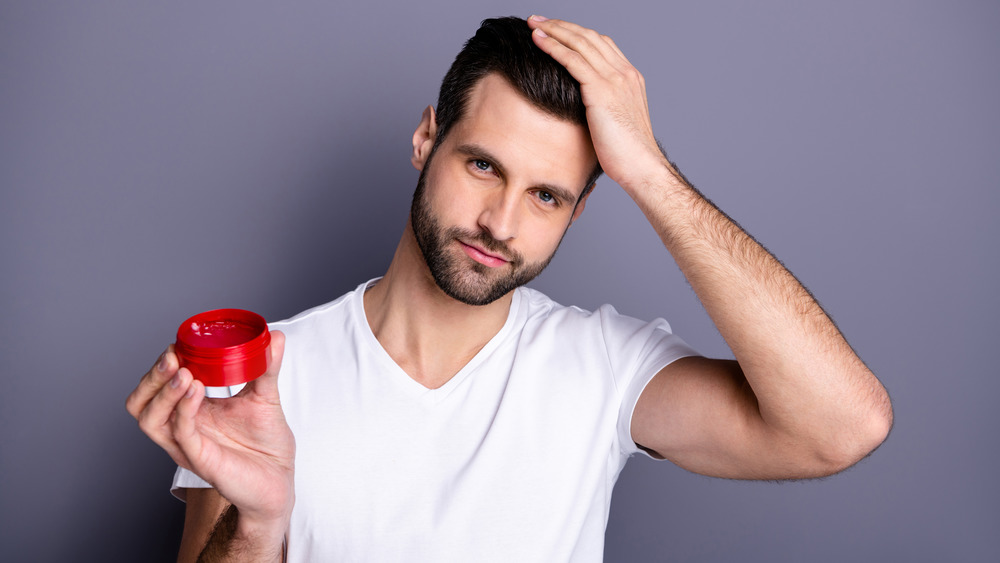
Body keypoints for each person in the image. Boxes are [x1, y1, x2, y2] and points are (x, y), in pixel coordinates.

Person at [126, 15, 892, 562]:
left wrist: (651, 173)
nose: (500, 223)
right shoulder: (268, 377)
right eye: (483, 165)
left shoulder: (604, 366)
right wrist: (258, 526)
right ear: (427, 137)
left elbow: (841, 426)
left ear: (580, 208)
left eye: (546, 196)